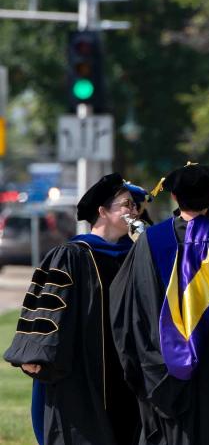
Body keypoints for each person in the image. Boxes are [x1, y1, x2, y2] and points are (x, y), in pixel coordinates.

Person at [109, 163, 209, 444]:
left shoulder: (148, 245)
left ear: (174, 197)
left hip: (163, 373)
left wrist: (144, 365)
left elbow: (127, 314)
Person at [4, 173, 141, 445]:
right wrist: (37, 354)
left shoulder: (137, 256)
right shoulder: (71, 255)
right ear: (102, 211)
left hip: (128, 371)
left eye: (135, 206)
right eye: (126, 204)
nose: (134, 211)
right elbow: (47, 310)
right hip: (82, 369)